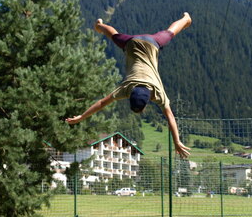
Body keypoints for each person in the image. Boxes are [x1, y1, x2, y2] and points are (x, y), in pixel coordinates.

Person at [66, 12, 192, 158]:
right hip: (132, 43)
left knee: (169, 33)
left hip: (152, 43)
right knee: (114, 35)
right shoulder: (127, 87)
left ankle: (186, 19)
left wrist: (177, 141)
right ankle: (99, 26)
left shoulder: (156, 92)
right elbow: (101, 103)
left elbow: (170, 116)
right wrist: (81, 117)